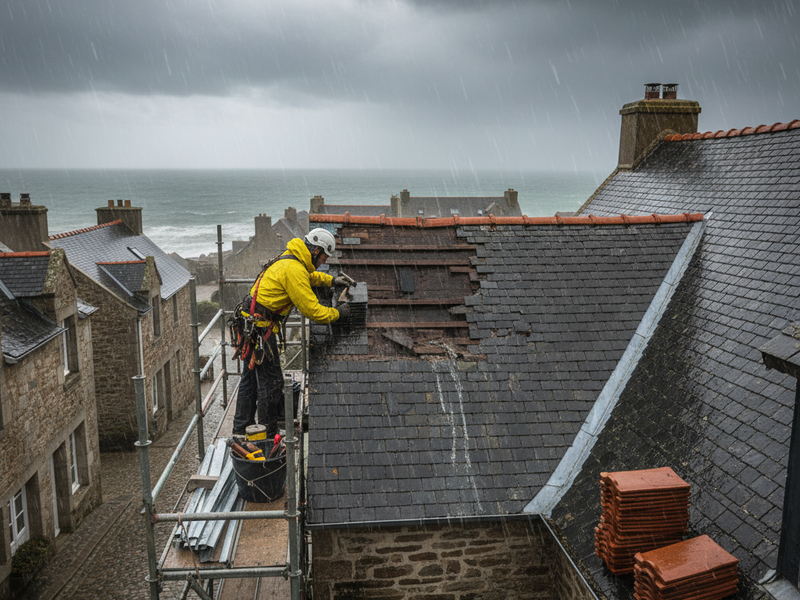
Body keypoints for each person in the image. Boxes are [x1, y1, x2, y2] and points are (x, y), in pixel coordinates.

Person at [231, 228, 351, 436]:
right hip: (260, 329)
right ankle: (267, 436)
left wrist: (331, 280)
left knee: (249, 379)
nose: (323, 261)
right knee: (271, 383)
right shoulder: (293, 269)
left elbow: (308, 277)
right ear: (315, 251)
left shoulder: (292, 259)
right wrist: (338, 313)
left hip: (250, 324)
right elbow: (313, 310)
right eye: (323, 257)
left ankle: (241, 428)